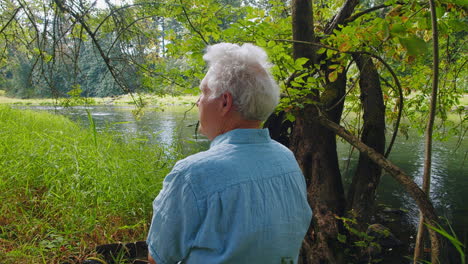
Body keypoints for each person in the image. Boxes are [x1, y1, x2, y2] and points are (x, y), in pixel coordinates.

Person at [147, 43, 312, 264]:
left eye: (203, 92)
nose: (198, 102)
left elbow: (158, 258)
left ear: (225, 102)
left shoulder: (192, 174)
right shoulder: (287, 159)